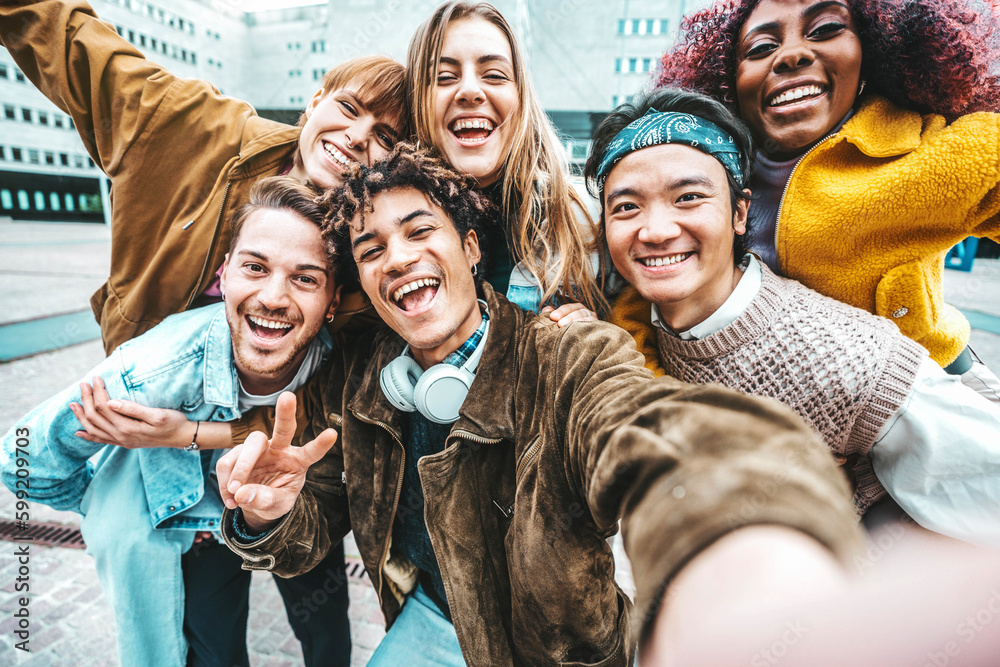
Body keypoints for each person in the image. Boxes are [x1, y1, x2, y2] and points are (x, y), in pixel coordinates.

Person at [214, 144, 864, 666]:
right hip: (433, 623)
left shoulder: (564, 353)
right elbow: (306, 539)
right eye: (372, 249)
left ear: (470, 248)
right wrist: (268, 515)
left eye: (419, 231)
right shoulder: (362, 381)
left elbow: (643, 430)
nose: (399, 257)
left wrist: (740, 525)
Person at [1, 1, 407, 661]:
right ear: (313, 102)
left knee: (320, 610)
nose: (362, 136)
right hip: (174, 461)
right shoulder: (193, 131)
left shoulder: (370, 258)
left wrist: (193, 433)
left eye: (386, 136)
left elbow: (330, 420)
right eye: (351, 109)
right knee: (208, 635)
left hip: (283, 448)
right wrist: (165, 444)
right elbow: (75, 43)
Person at [586, 87, 1000, 547]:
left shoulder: (851, 360)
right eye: (626, 207)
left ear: (740, 212)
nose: (656, 231)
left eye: (688, 197)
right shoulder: (625, 332)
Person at [1, 178, 351, 666]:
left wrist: (188, 435)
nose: (273, 296)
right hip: (205, 527)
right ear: (224, 276)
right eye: (255, 267)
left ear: (333, 301)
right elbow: (21, 460)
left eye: (305, 278)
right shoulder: (148, 374)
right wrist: (109, 502)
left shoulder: (341, 360)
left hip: (302, 502)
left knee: (328, 629)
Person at [611, 0, 1000, 402]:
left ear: (871, 51)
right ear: (729, 79)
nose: (792, 54)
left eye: (826, 29)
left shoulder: (935, 153)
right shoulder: (709, 175)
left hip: (939, 390)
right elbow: (645, 313)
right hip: (797, 423)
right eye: (760, 48)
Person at [405, 1, 610, 322]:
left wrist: (599, 338)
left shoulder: (588, 221)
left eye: (495, 75)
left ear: (521, 97)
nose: (470, 90)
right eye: (444, 77)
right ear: (418, 101)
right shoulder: (386, 232)